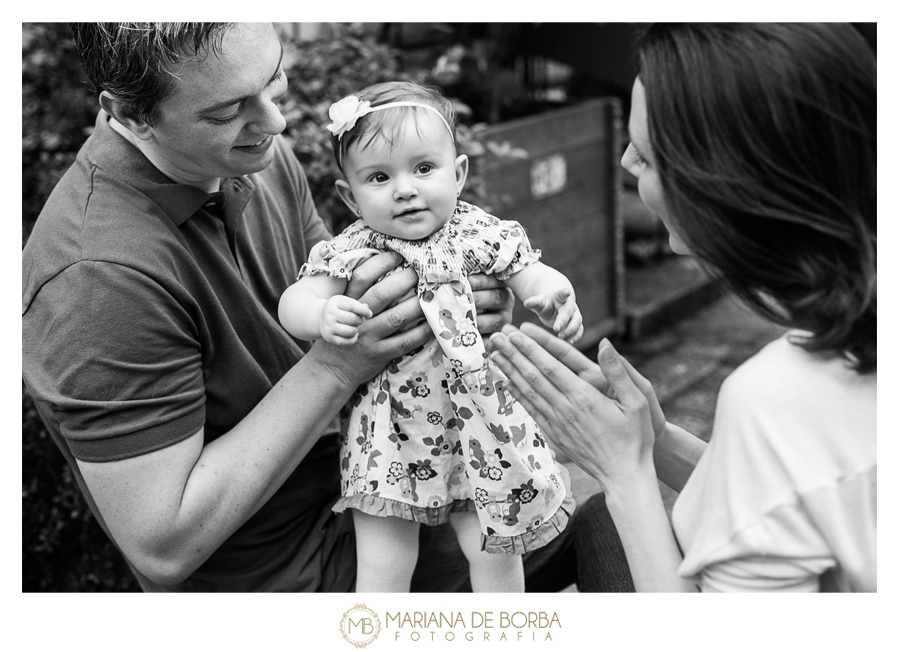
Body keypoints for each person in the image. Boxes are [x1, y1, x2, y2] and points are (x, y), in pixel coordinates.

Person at [21, 22, 630, 592]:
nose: (277, 121)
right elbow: (162, 545)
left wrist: (446, 307)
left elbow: (343, 283)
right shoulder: (95, 278)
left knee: (635, 497)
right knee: (625, 517)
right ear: (128, 113)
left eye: (273, 80)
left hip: (399, 455)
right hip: (291, 571)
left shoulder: (251, 153)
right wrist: (337, 365)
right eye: (228, 110)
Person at [489, 23, 876, 592]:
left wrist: (621, 471)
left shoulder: (774, 401)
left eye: (644, 155)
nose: (623, 162)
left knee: (603, 517)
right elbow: (792, 493)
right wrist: (658, 440)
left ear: (720, 182)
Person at [278, 81, 581, 592]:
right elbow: (295, 300)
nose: (404, 188)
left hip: (481, 426)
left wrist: (553, 293)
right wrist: (321, 313)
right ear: (350, 196)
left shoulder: (476, 233)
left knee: (492, 546)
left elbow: (529, 272)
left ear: (458, 174)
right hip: (388, 437)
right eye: (379, 176)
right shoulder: (354, 247)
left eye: (423, 168)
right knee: (383, 560)